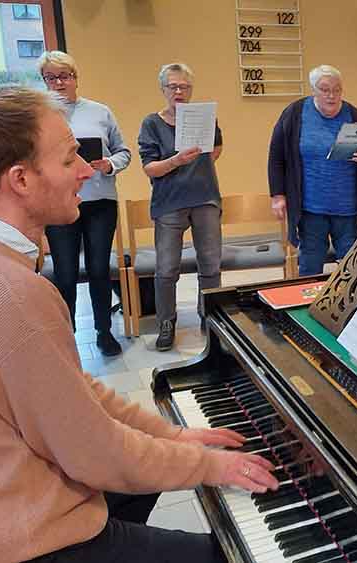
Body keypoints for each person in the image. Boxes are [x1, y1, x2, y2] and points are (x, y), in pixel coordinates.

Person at [0, 86, 279, 563]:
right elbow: (95, 453)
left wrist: (174, 435)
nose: (87, 169)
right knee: (235, 555)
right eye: (68, 160)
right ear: (20, 179)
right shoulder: (11, 292)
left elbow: (73, 391)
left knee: (150, 477)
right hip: (21, 538)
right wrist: (208, 463)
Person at [38, 51, 132, 357]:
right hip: (59, 204)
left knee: (98, 269)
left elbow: (124, 152)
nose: (58, 83)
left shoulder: (100, 112)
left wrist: (109, 164)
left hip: (100, 202)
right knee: (64, 273)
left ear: (76, 78)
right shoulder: (37, 117)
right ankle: (68, 337)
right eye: (51, 77)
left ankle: (104, 332)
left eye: (64, 76)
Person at [138, 63, 223, 351]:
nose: (178, 91)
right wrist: (177, 162)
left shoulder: (203, 117)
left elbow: (218, 146)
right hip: (169, 203)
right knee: (166, 267)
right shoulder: (152, 123)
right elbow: (150, 168)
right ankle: (166, 323)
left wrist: (200, 166)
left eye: (184, 86)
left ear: (191, 90)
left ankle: (210, 317)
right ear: (163, 90)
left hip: (205, 198)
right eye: (173, 86)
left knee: (210, 263)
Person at [268, 64, 357, 276]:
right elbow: (276, 157)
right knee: (310, 268)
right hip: (311, 208)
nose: (331, 95)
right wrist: (278, 195)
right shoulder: (294, 113)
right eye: (325, 90)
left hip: (348, 209)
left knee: (354, 270)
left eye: (337, 89)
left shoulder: (355, 116)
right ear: (313, 90)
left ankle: (348, 309)